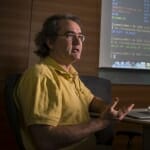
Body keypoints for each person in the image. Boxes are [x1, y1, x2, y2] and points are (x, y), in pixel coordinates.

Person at [15, 13, 134, 150]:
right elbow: (45, 140)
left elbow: (90, 100)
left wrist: (108, 109)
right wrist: (101, 122)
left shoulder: (70, 73)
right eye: (70, 36)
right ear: (50, 42)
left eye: (81, 37)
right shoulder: (41, 76)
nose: (79, 42)